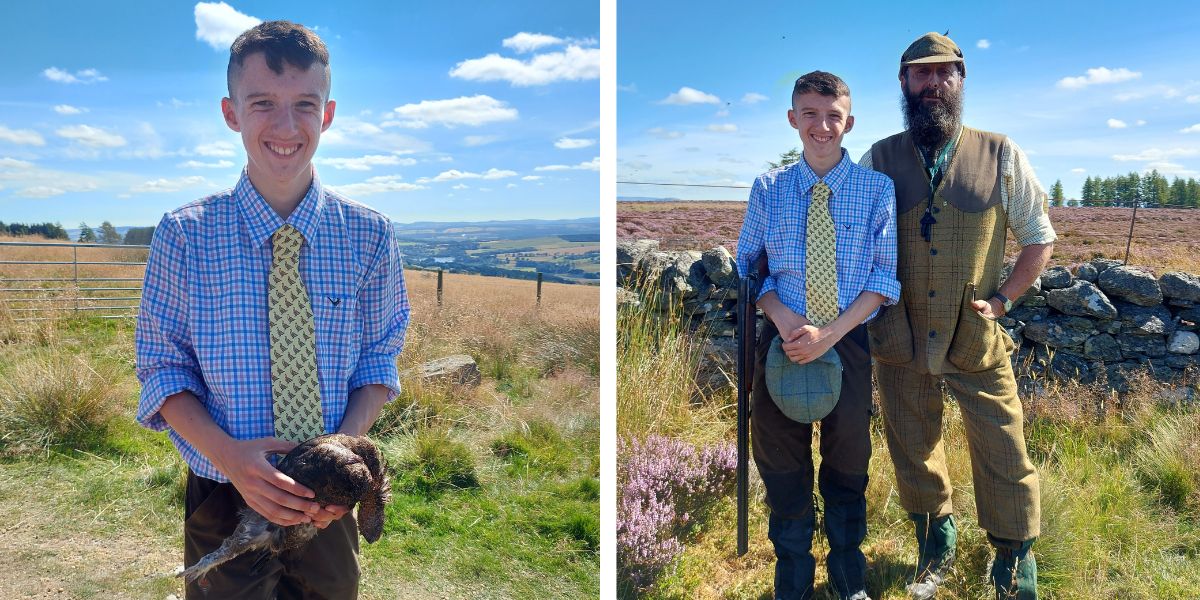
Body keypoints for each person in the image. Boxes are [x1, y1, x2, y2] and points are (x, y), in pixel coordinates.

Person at [135, 20, 409, 599]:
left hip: (329, 504)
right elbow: (164, 368)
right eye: (262, 103)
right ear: (231, 112)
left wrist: (340, 456)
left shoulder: (370, 236)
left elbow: (379, 357)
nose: (286, 127)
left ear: (327, 114)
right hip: (223, 489)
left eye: (304, 105)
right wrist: (233, 458)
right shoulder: (184, 237)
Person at [859, 32, 1055, 600]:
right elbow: (856, 238)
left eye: (945, 73)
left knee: (1003, 446)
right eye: (921, 74)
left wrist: (1003, 302)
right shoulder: (879, 156)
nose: (933, 84)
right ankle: (933, 541)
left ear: (962, 81)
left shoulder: (1000, 152)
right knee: (911, 442)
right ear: (903, 83)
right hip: (898, 333)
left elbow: (1039, 238)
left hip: (976, 336)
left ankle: (1014, 563)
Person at [736, 71, 900, 600]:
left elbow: (882, 278)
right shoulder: (769, 188)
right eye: (809, 114)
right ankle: (793, 575)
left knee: (849, 459)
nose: (821, 126)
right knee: (781, 460)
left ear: (848, 122)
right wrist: (784, 320)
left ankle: (848, 572)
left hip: (847, 343)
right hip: (781, 341)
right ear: (792, 119)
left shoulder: (878, 190)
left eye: (833, 116)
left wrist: (828, 334)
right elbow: (748, 270)